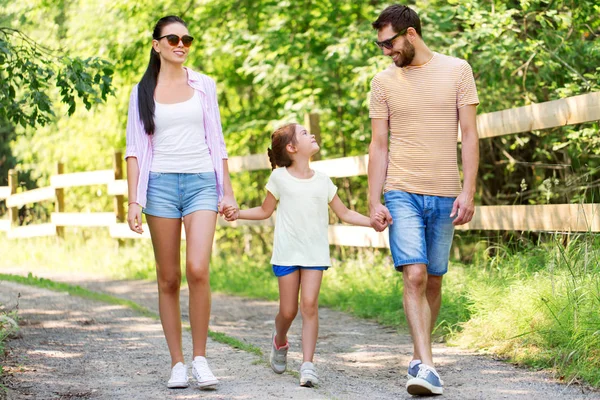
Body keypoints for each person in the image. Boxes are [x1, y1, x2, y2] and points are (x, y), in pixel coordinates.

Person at [368, 4, 480, 396]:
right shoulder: (382, 83)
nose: (386, 51)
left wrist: (468, 191)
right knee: (413, 274)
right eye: (381, 44)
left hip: (446, 192)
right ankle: (427, 366)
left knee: (433, 278)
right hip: (401, 189)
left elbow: (469, 133)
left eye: (390, 42)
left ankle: (420, 356)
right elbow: (378, 144)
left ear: (411, 33)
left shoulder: (457, 70)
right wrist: (373, 199)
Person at [125, 15, 238, 389]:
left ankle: (201, 359)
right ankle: (177, 363)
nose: (181, 44)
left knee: (198, 268)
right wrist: (133, 201)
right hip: (158, 187)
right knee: (169, 278)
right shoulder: (141, 91)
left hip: (202, 182)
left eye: (186, 39)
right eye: (172, 38)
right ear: (156, 45)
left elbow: (218, 140)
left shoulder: (204, 85)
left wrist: (228, 190)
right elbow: (134, 151)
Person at [223, 123, 383, 387]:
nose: (313, 135)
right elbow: (265, 211)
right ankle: (280, 339)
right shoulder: (279, 179)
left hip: (315, 255)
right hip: (286, 254)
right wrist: (238, 213)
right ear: (292, 147)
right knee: (288, 310)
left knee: (309, 305)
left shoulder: (323, 181)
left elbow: (344, 213)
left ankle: (307, 364)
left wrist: (372, 222)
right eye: (305, 134)